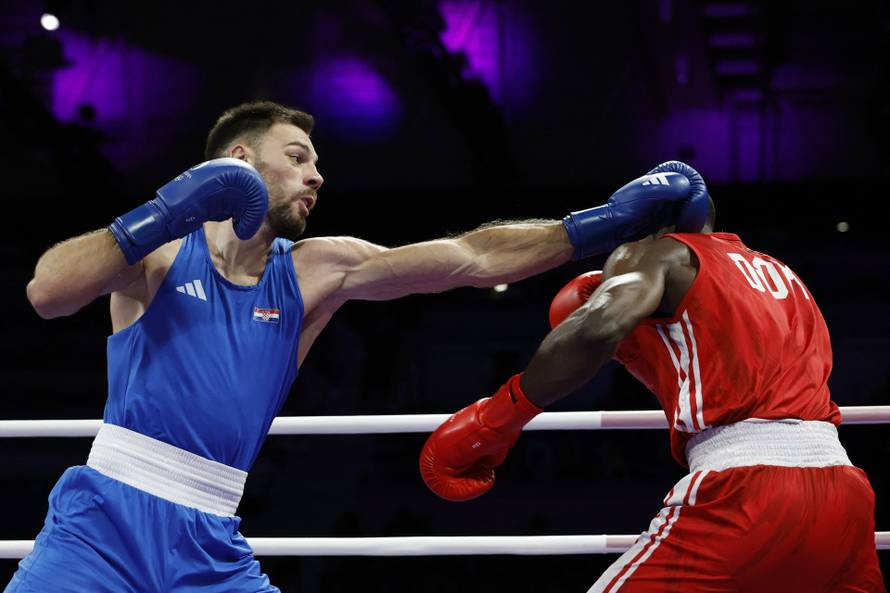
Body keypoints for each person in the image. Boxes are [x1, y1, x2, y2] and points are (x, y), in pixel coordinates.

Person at [9, 100, 705, 593]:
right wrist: (165, 211)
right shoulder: (160, 252)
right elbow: (47, 291)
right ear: (238, 160)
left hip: (211, 541)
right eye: (299, 156)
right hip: (100, 523)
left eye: (317, 163)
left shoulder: (315, 268)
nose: (317, 175)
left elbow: (468, 258)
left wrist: (598, 224)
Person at [420, 168, 887, 592]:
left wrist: (501, 415)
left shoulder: (655, 253)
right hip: (845, 495)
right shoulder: (783, 274)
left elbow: (597, 328)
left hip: (745, 490)